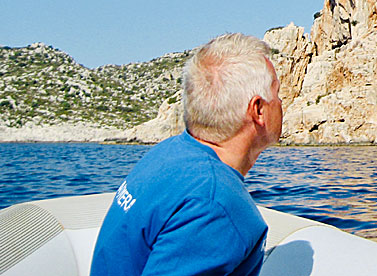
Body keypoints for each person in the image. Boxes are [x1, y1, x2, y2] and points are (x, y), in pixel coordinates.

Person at [90, 33, 283, 276]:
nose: (280, 102)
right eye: (277, 93)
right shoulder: (217, 206)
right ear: (258, 110)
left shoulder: (166, 153)